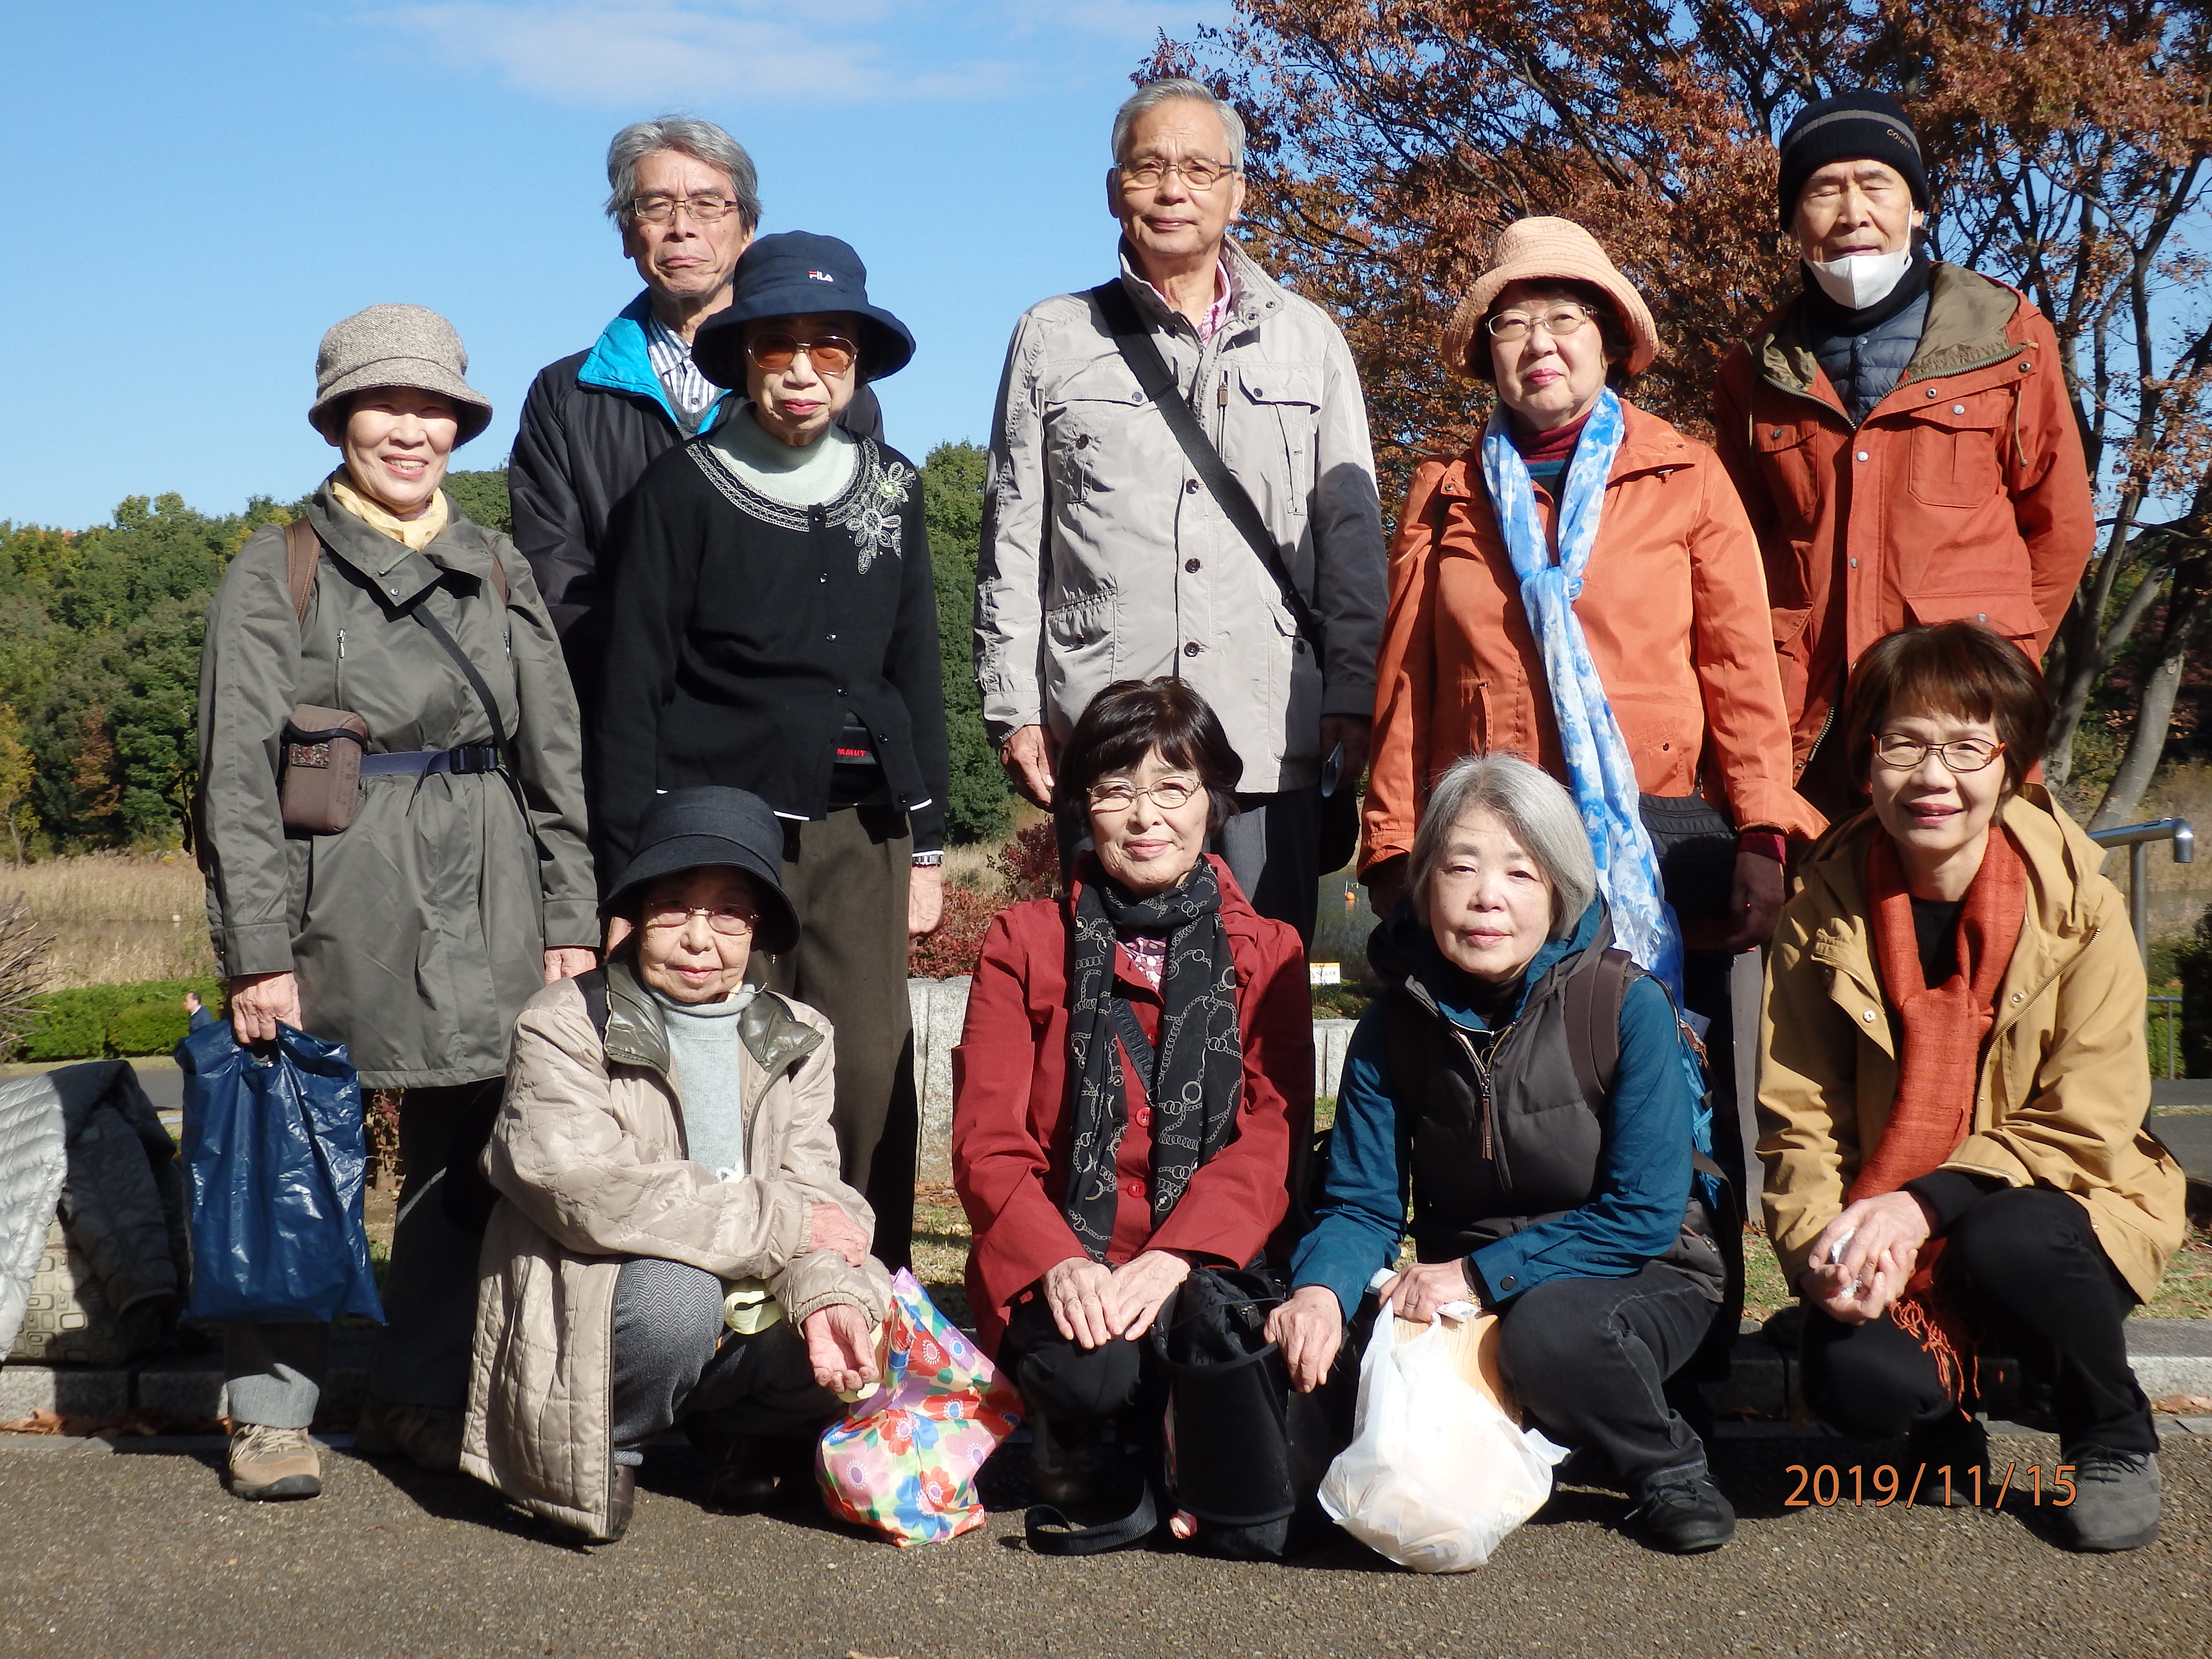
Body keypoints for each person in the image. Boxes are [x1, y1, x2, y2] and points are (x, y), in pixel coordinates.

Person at [195, 305, 597, 1501]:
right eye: (387, 404)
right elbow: (236, 774)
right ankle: (270, 1410)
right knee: (290, 1145)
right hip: (337, 884)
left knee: (463, 1153)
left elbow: (554, 753)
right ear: (339, 419)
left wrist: (571, 915)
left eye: (434, 408)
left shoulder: (497, 562)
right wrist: (256, 948)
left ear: (460, 426)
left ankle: (421, 1392)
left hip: (490, 884)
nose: (411, 429)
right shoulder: (278, 569)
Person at [1760, 621, 2187, 1552]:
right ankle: (1942, 1421)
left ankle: (2109, 1432)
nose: (1932, 778)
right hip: (1885, 1224)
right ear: (1867, 760)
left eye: (1966, 747)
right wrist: (1817, 1259)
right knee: (1852, 1381)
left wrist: (1925, 1204)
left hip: (2057, 1205)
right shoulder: (1818, 913)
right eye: (1904, 743)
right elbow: (1799, 1121)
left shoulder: (2080, 901)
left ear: (2012, 764)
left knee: (2008, 1241)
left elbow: (2094, 1112)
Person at [1272, 754, 1737, 1555]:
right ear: (1423, 886)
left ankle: (1667, 1463)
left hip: (1642, 1268)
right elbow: (1361, 1205)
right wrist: (1317, 1291)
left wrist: (1478, 1275)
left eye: (1521, 873)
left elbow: (1642, 1214)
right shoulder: (1392, 1028)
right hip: (1473, 1283)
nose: (1489, 897)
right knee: (1315, 1326)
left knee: (1550, 1337)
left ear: (1559, 890)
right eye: (1461, 867)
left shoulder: (1623, 1005)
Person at [594, 230, 946, 1270]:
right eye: (779, 347)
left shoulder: (894, 487)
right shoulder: (680, 492)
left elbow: (915, 667)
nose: (803, 372)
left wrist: (926, 847)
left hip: (863, 829)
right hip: (721, 833)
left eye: (829, 348)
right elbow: (629, 692)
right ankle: (728, 1301)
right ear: (744, 356)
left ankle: (864, 1292)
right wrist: (629, 872)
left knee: (871, 1063)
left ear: (857, 361)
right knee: (729, 1065)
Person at [976, 77, 1388, 942]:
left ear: (1238, 190)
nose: (1173, 190)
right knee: (1111, 1001)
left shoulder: (1307, 339)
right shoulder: (1053, 337)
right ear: (1113, 188)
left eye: (1200, 169)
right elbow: (1012, 537)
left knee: (1260, 983)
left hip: (1268, 725)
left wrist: (1353, 689)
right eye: (1149, 167)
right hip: (1105, 729)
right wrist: (1013, 707)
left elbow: (1350, 535)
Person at [464, 787, 890, 1543]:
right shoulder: (564, 1021)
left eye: (730, 911)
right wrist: (790, 1222)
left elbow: (816, 1186)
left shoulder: (800, 1035)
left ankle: (736, 1428)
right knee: (677, 1297)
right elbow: (586, 1189)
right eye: (673, 908)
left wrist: (830, 1293)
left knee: (859, 1306)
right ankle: (608, 1445)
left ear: (756, 928)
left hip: (747, 1293)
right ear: (634, 917)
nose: (701, 938)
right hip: (610, 1299)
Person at [951, 678, 1310, 1514]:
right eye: (1115, 791)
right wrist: (1059, 1263)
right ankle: (1083, 1426)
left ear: (1212, 803)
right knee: (1092, 1369)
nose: (1144, 816)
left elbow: (1271, 1136)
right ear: (1084, 807)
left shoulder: (1270, 952)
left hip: (1206, 1259)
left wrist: (1175, 1256)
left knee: (1201, 1346)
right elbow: (986, 1140)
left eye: (1170, 788)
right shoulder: (1024, 943)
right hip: (1068, 1250)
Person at [1715, 93, 2094, 821]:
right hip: (1814, 726)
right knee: (1825, 926)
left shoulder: (2012, 337)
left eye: (1876, 184)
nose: (1853, 210)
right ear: (1793, 221)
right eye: (1824, 190)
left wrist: (1990, 663)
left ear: (1918, 208)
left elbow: (2063, 528)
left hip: (1971, 725)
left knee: (1982, 918)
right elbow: (1736, 558)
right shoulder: (1751, 374)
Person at [511, 116, 882, 724]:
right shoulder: (565, 395)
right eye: (655, 206)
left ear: (748, 230)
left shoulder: (831, 389)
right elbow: (551, 572)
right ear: (628, 233)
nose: (682, 228)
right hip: (626, 715)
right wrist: (645, 670)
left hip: (791, 718)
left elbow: (860, 563)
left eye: (708, 205)